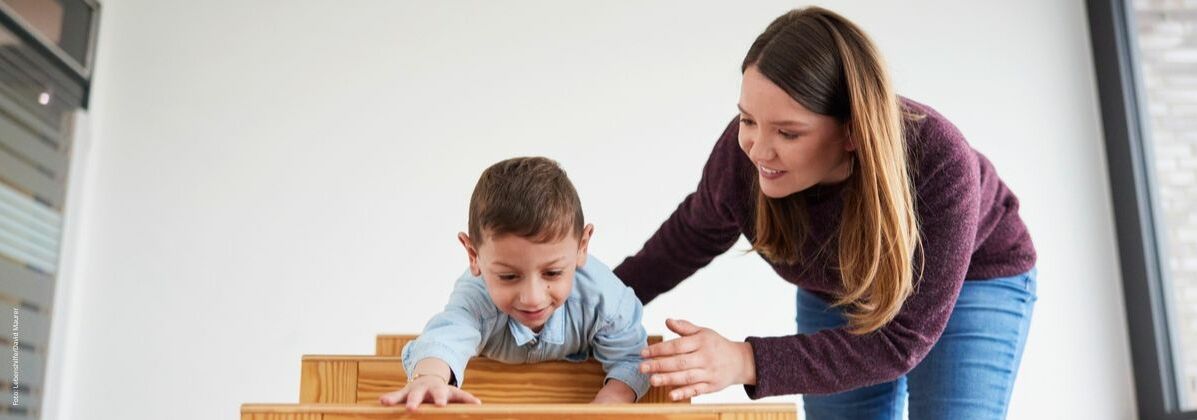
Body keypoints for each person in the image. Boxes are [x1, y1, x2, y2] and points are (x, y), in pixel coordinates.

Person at [616, 7, 1037, 420]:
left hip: (970, 280)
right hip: (839, 287)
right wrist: (590, 306)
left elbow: (899, 343)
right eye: (748, 120)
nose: (759, 150)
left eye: (788, 132)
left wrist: (745, 359)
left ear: (852, 129)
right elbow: (688, 237)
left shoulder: (939, 159)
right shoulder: (740, 156)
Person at [380, 157, 650, 411]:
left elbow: (632, 356)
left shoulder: (604, 300)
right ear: (474, 256)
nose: (532, 297)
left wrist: (611, 399)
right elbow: (448, 335)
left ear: (582, 247)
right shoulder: (478, 297)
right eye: (509, 277)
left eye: (553, 273)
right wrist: (430, 377)